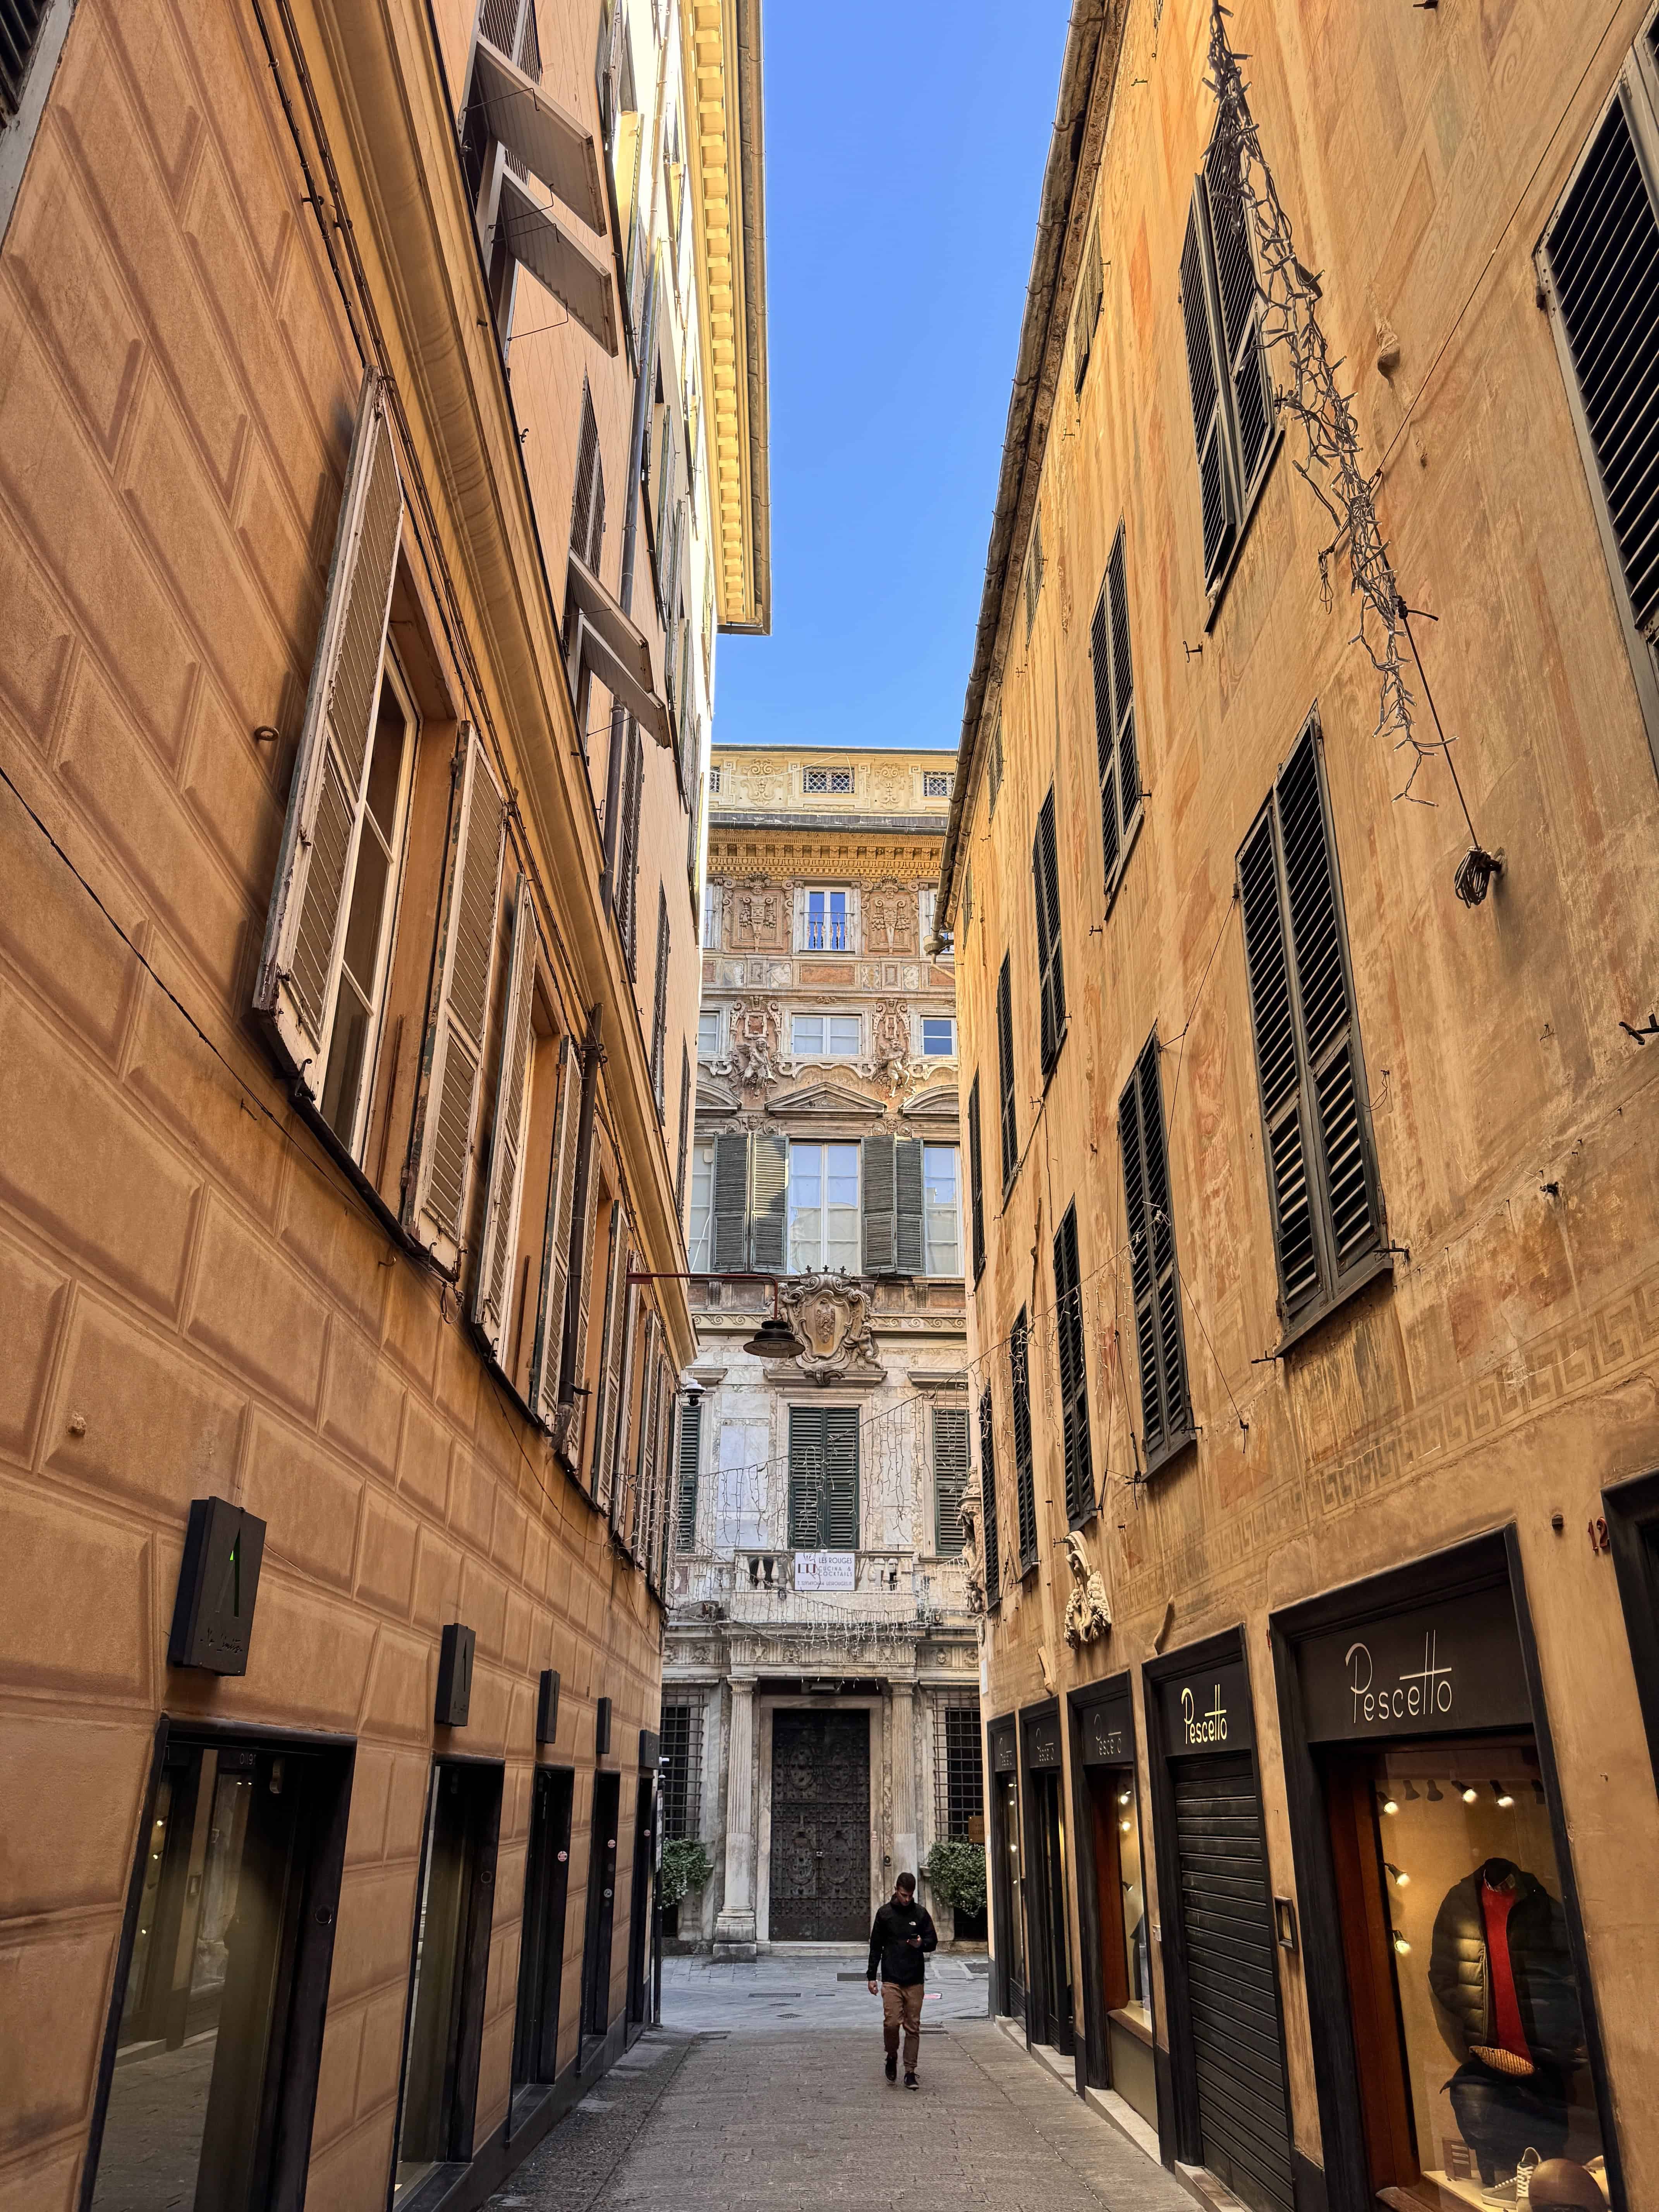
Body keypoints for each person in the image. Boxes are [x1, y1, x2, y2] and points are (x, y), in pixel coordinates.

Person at [866, 1872, 937, 2088]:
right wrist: (872, 1977)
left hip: (915, 1978)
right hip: (891, 1978)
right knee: (891, 2023)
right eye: (904, 1895)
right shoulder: (884, 1914)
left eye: (910, 1895)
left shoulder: (921, 1914)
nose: (907, 1899)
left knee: (913, 2026)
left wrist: (920, 1944)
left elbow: (932, 1941)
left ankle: (910, 2071)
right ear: (897, 1890)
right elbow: (875, 1946)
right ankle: (891, 2056)